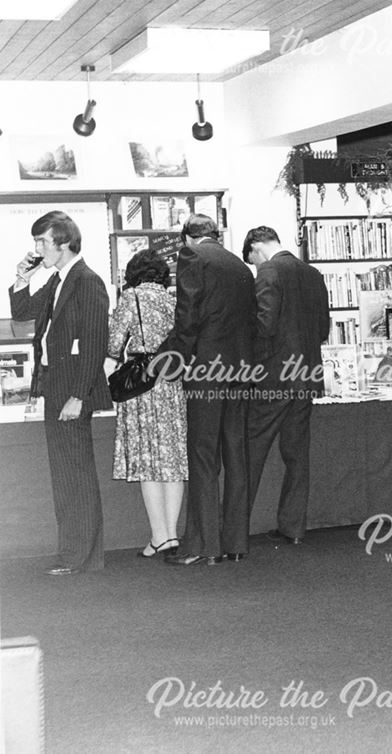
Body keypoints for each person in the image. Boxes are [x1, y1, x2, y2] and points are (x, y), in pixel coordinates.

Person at [8, 211, 112, 575]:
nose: (37, 248)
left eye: (42, 241)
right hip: (56, 387)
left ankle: (81, 556)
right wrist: (23, 275)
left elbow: (97, 343)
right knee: (65, 474)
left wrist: (79, 395)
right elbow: (21, 310)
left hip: (73, 391)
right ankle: (74, 553)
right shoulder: (57, 281)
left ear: (64, 242)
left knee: (75, 475)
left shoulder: (87, 281)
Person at [155, 214, 256, 566]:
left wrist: (174, 361)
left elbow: (187, 318)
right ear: (216, 235)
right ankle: (236, 543)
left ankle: (202, 546)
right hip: (241, 370)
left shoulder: (192, 257)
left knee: (203, 456)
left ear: (187, 238)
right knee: (235, 454)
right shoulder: (241, 266)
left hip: (206, 371)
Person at [242, 227, 330, 545]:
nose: (253, 266)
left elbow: (263, 325)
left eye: (251, 260)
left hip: (274, 378)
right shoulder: (313, 273)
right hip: (306, 378)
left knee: (251, 451)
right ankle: (293, 528)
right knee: (296, 455)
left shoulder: (268, 271)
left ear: (256, 248)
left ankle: (236, 527)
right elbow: (323, 328)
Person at [107, 250, 187, 558]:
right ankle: (172, 534)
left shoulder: (131, 297)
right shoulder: (174, 299)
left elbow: (114, 343)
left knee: (148, 463)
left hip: (142, 385)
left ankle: (159, 536)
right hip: (172, 382)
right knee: (173, 462)